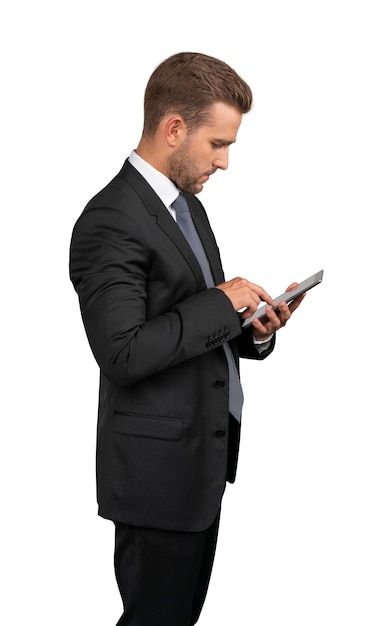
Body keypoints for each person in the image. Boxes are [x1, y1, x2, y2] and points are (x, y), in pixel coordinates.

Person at [69, 51, 304, 626]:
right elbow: (123, 352)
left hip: (198, 468)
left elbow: (189, 326)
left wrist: (253, 332)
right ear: (174, 128)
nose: (224, 163)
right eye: (217, 144)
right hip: (156, 481)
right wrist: (221, 302)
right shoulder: (110, 220)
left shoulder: (187, 209)